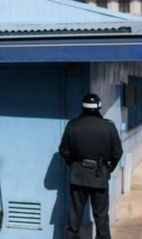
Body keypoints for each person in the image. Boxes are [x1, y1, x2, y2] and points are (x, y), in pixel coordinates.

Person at [59, 93, 123, 239]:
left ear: (83, 107)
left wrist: (75, 165)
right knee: (101, 220)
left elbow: (63, 151)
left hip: (78, 177)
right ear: (99, 107)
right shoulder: (108, 126)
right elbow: (117, 152)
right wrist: (108, 169)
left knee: (73, 221)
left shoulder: (72, 125)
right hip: (99, 177)